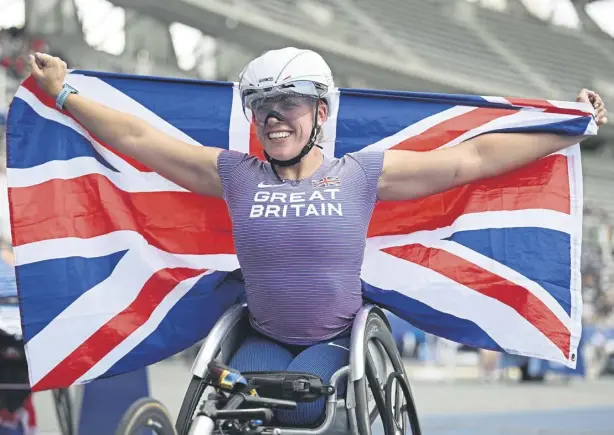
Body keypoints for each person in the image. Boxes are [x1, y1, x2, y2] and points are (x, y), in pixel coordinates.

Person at [27, 48, 607, 425]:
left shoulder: (359, 173)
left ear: (321, 113)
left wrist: (568, 128)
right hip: (263, 335)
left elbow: (472, 159)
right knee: (232, 412)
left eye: (289, 105)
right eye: (263, 109)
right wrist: (64, 94)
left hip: (335, 341)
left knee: (303, 409)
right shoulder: (234, 174)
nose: (274, 118)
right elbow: (145, 143)